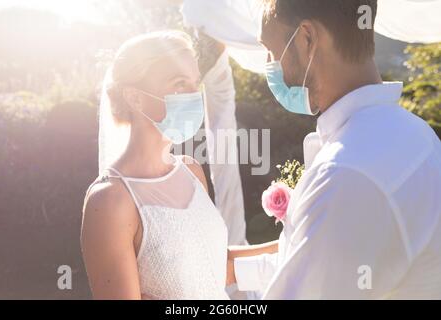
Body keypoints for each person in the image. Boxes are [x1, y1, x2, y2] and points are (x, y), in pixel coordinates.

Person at [227, 0, 441, 299]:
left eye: (271, 50)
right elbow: (332, 262)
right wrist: (231, 270)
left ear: (307, 39)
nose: (270, 65)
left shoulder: (345, 174)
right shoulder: (414, 132)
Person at [80, 31, 257, 299]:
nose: (193, 95)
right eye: (179, 84)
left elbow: (212, 268)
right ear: (135, 97)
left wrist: (293, 241)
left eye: (195, 83)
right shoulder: (110, 201)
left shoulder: (191, 171)